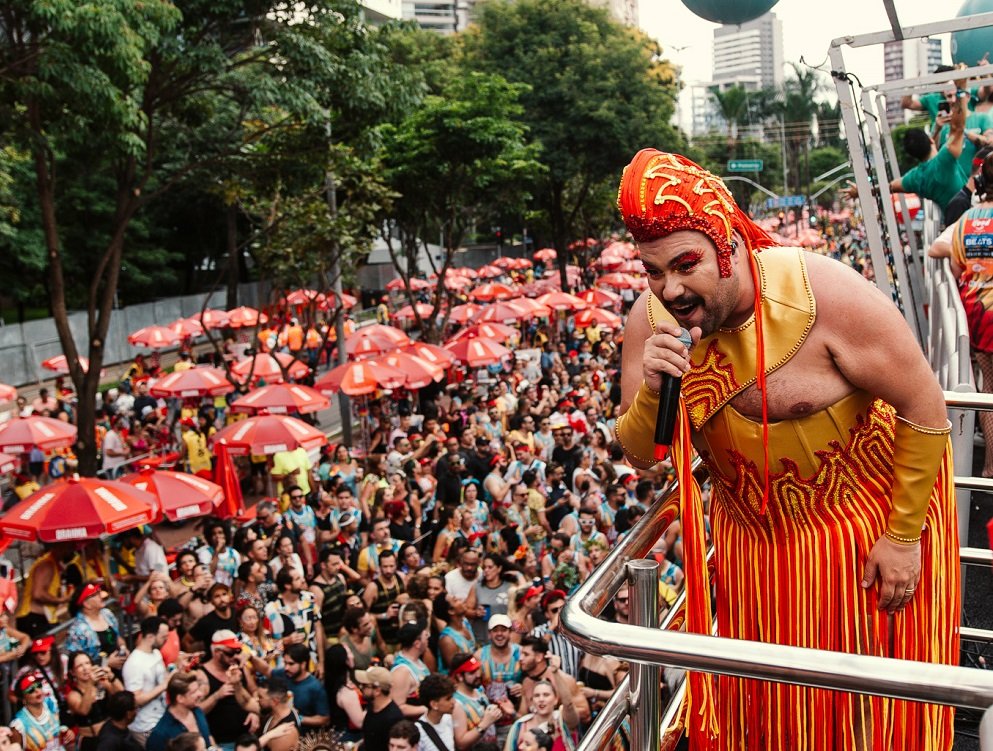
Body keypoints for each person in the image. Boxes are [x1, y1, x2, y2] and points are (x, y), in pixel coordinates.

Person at [615, 148, 959, 747]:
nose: (670, 287)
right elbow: (641, 455)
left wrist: (903, 537)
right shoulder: (649, 323)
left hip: (864, 534)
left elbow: (925, 406)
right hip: (755, 555)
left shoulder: (826, 295)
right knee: (774, 716)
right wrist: (652, 391)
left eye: (685, 263)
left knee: (871, 718)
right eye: (652, 270)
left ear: (726, 240)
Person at [929, 150, 993, 477]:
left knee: (988, 386)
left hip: (981, 315)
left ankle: (989, 465)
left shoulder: (967, 220)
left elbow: (946, 257)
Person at [199, 631, 261, 748]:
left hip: (247, 740)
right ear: (217, 652)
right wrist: (216, 696)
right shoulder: (202, 676)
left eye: (238, 651)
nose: (235, 656)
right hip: (222, 742)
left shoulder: (239, 667)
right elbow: (196, 712)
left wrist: (254, 711)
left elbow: (255, 691)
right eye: (230, 653)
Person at [121, 616, 171, 743]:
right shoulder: (134, 663)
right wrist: (164, 685)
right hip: (146, 725)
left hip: (162, 716)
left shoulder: (156, 653)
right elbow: (136, 700)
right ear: (150, 637)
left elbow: (163, 678)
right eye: (163, 637)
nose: (166, 641)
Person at [64, 651, 123, 751]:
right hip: (91, 742)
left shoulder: (101, 683)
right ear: (72, 672)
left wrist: (111, 675)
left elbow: (122, 695)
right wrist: (90, 684)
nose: (85, 668)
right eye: (80, 666)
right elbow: (84, 710)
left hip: (110, 735)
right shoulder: (73, 695)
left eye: (87, 663)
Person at [448, 653, 505, 750]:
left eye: (478, 669)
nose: (478, 675)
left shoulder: (479, 690)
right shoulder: (457, 704)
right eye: (472, 672)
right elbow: (461, 744)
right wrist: (485, 724)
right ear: (460, 676)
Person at [145, 672, 214, 751]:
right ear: (180, 698)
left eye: (198, 689)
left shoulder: (197, 712)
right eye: (194, 692)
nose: (200, 694)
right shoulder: (160, 735)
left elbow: (208, 737)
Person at [9, 672, 74, 751]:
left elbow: (57, 733)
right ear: (23, 699)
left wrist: (67, 734)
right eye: (31, 690)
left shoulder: (51, 704)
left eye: (38, 686)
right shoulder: (18, 725)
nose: (37, 690)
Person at [271, 643, 329, 730]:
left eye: (291, 664)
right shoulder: (283, 674)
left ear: (303, 664)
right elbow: (266, 670)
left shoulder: (316, 687)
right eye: (285, 663)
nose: (286, 667)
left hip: (303, 737)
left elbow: (324, 719)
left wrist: (297, 718)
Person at [391, 622, 431, 719]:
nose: (428, 640)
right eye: (426, 637)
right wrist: (427, 709)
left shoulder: (416, 661)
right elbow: (397, 707)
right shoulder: (402, 672)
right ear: (417, 644)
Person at [358, 666, 404, 751]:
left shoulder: (393, 719)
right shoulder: (372, 708)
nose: (361, 688)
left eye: (365, 686)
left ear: (377, 691)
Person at [416, 674, 456, 751]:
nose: (453, 702)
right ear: (434, 704)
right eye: (448, 699)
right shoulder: (419, 731)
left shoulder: (447, 719)